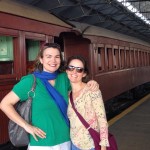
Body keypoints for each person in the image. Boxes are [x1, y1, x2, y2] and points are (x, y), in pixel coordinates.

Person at [0, 43, 99, 150]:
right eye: (48, 56)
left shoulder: (64, 78)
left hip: (65, 139)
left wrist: (91, 83)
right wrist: (26, 126)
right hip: (41, 143)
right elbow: (4, 104)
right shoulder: (30, 81)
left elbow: (81, 84)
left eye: (57, 57)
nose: (53, 60)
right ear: (41, 59)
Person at [66, 55, 109, 150]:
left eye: (79, 70)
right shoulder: (68, 94)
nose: (74, 72)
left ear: (84, 73)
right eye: (71, 68)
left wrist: (103, 146)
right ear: (66, 70)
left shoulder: (92, 91)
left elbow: (102, 120)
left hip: (91, 145)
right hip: (74, 144)